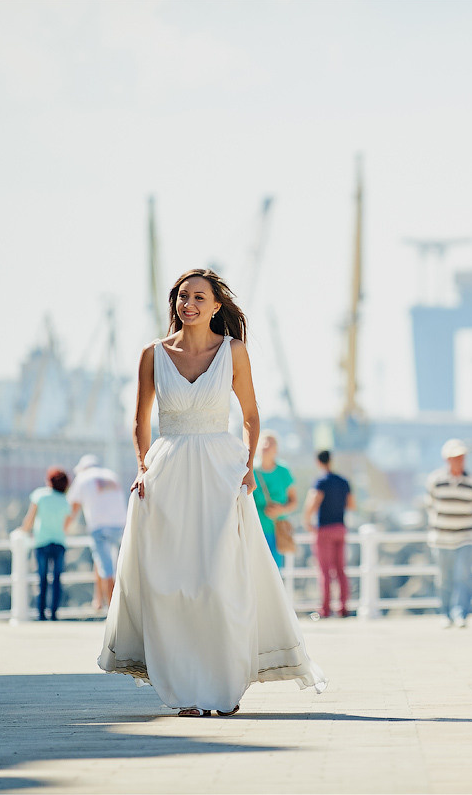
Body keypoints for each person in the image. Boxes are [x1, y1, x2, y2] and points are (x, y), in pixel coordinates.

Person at [98, 268, 325, 718]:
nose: (189, 304)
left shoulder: (233, 352)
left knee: (217, 581)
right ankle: (184, 691)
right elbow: (140, 420)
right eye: (183, 296)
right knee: (172, 585)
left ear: (217, 306)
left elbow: (251, 416)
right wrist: (143, 467)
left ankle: (224, 686)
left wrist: (248, 467)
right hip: (165, 475)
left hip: (222, 472)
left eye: (199, 297)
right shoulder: (153, 354)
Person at [425, 439, 472, 628]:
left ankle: (461, 614)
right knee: (444, 578)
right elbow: (429, 506)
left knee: (464, 577)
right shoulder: (435, 481)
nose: (460, 460)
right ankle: (445, 614)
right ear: (447, 459)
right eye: (456, 457)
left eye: (462, 457)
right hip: (441, 538)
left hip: (465, 537)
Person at [65, 454, 127, 610]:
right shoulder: (111, 475)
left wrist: (64, 528)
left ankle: (113, 609)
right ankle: (98, 601)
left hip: (99, 527)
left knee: (106, 567)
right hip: (121, 525)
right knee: (105, 562)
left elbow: (73, 507)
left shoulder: (83, 478)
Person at [303, 450, 355, 618]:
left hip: (324, 529)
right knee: (341, 570)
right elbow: (351, 505)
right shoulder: (343, 481)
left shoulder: (320, 482)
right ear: (331, 461)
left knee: (325, 571)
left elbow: (313, 503)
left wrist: (307, 521)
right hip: (340, 528)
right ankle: (343, 608)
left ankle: (325, 610)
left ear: (318, 462)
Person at [20, 467, 72, 621]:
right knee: (56, 579)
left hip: (41, 542)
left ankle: (41, 614)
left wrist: (23, 530)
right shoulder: (64, 500)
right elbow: (67, 524)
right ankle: (54, 613)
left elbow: (30, 518)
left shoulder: (40, 495)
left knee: (41, 579)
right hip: (59, 542)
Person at [252, 432, 298, 569]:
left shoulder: (283, 471)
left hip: (277, 531)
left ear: (276, 449)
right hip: (255, 529)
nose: (266, 445)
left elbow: (294, 501)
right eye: (264, 442)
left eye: (270, 443)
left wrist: (281, 510)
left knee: (275, 571)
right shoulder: (249, 470)